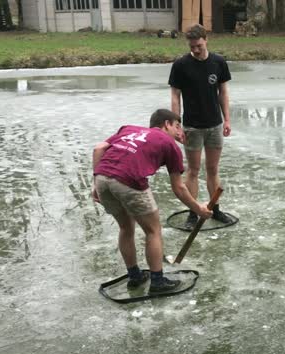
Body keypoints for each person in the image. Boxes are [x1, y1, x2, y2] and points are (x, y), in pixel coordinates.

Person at [92, 109, 212, 294]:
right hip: (129, 180)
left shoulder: (128, 128)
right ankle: (157, 281)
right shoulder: (169, 143)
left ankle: (135, 276)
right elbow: (179, 188)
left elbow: (99, 148)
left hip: (102, 178)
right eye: (177, 126)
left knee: (126, 228)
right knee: (153, 230)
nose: (179, 131)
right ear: (166, 124)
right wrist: (198, 209)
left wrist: (95, 183)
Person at [168, 24, 233, 228]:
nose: (195, 50)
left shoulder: (218, 62)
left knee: (212, 169)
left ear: (206, 40)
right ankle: (193, 212)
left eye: (198, 45)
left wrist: (227, 119)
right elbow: (175, 96)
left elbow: (223, 92)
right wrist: (177, 124)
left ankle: (215, 209)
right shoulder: (181, 65)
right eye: (192, 46)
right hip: (192, 127)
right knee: (194, 170)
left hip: (214, 124)